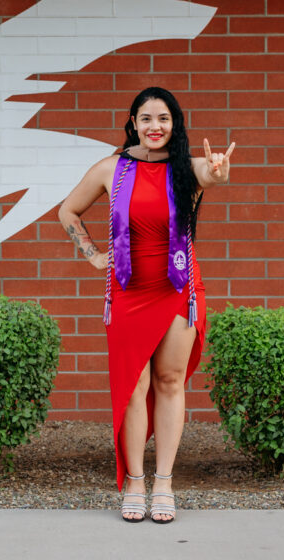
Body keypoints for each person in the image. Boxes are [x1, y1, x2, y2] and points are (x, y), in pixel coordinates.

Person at [57, 86, 234, 524]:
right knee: (134, 387)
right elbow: (68, 211)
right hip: (129, 291)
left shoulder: (187, 169)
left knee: (170, 381)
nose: (155, 127)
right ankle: (134, 481)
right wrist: (94, 254)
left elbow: (213, 177)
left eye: (164, 119)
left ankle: (164, 483)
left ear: (175, 125)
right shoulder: (110, 169)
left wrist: (218, 170)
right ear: (133, 123)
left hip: (177, 289)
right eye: (147, 118)